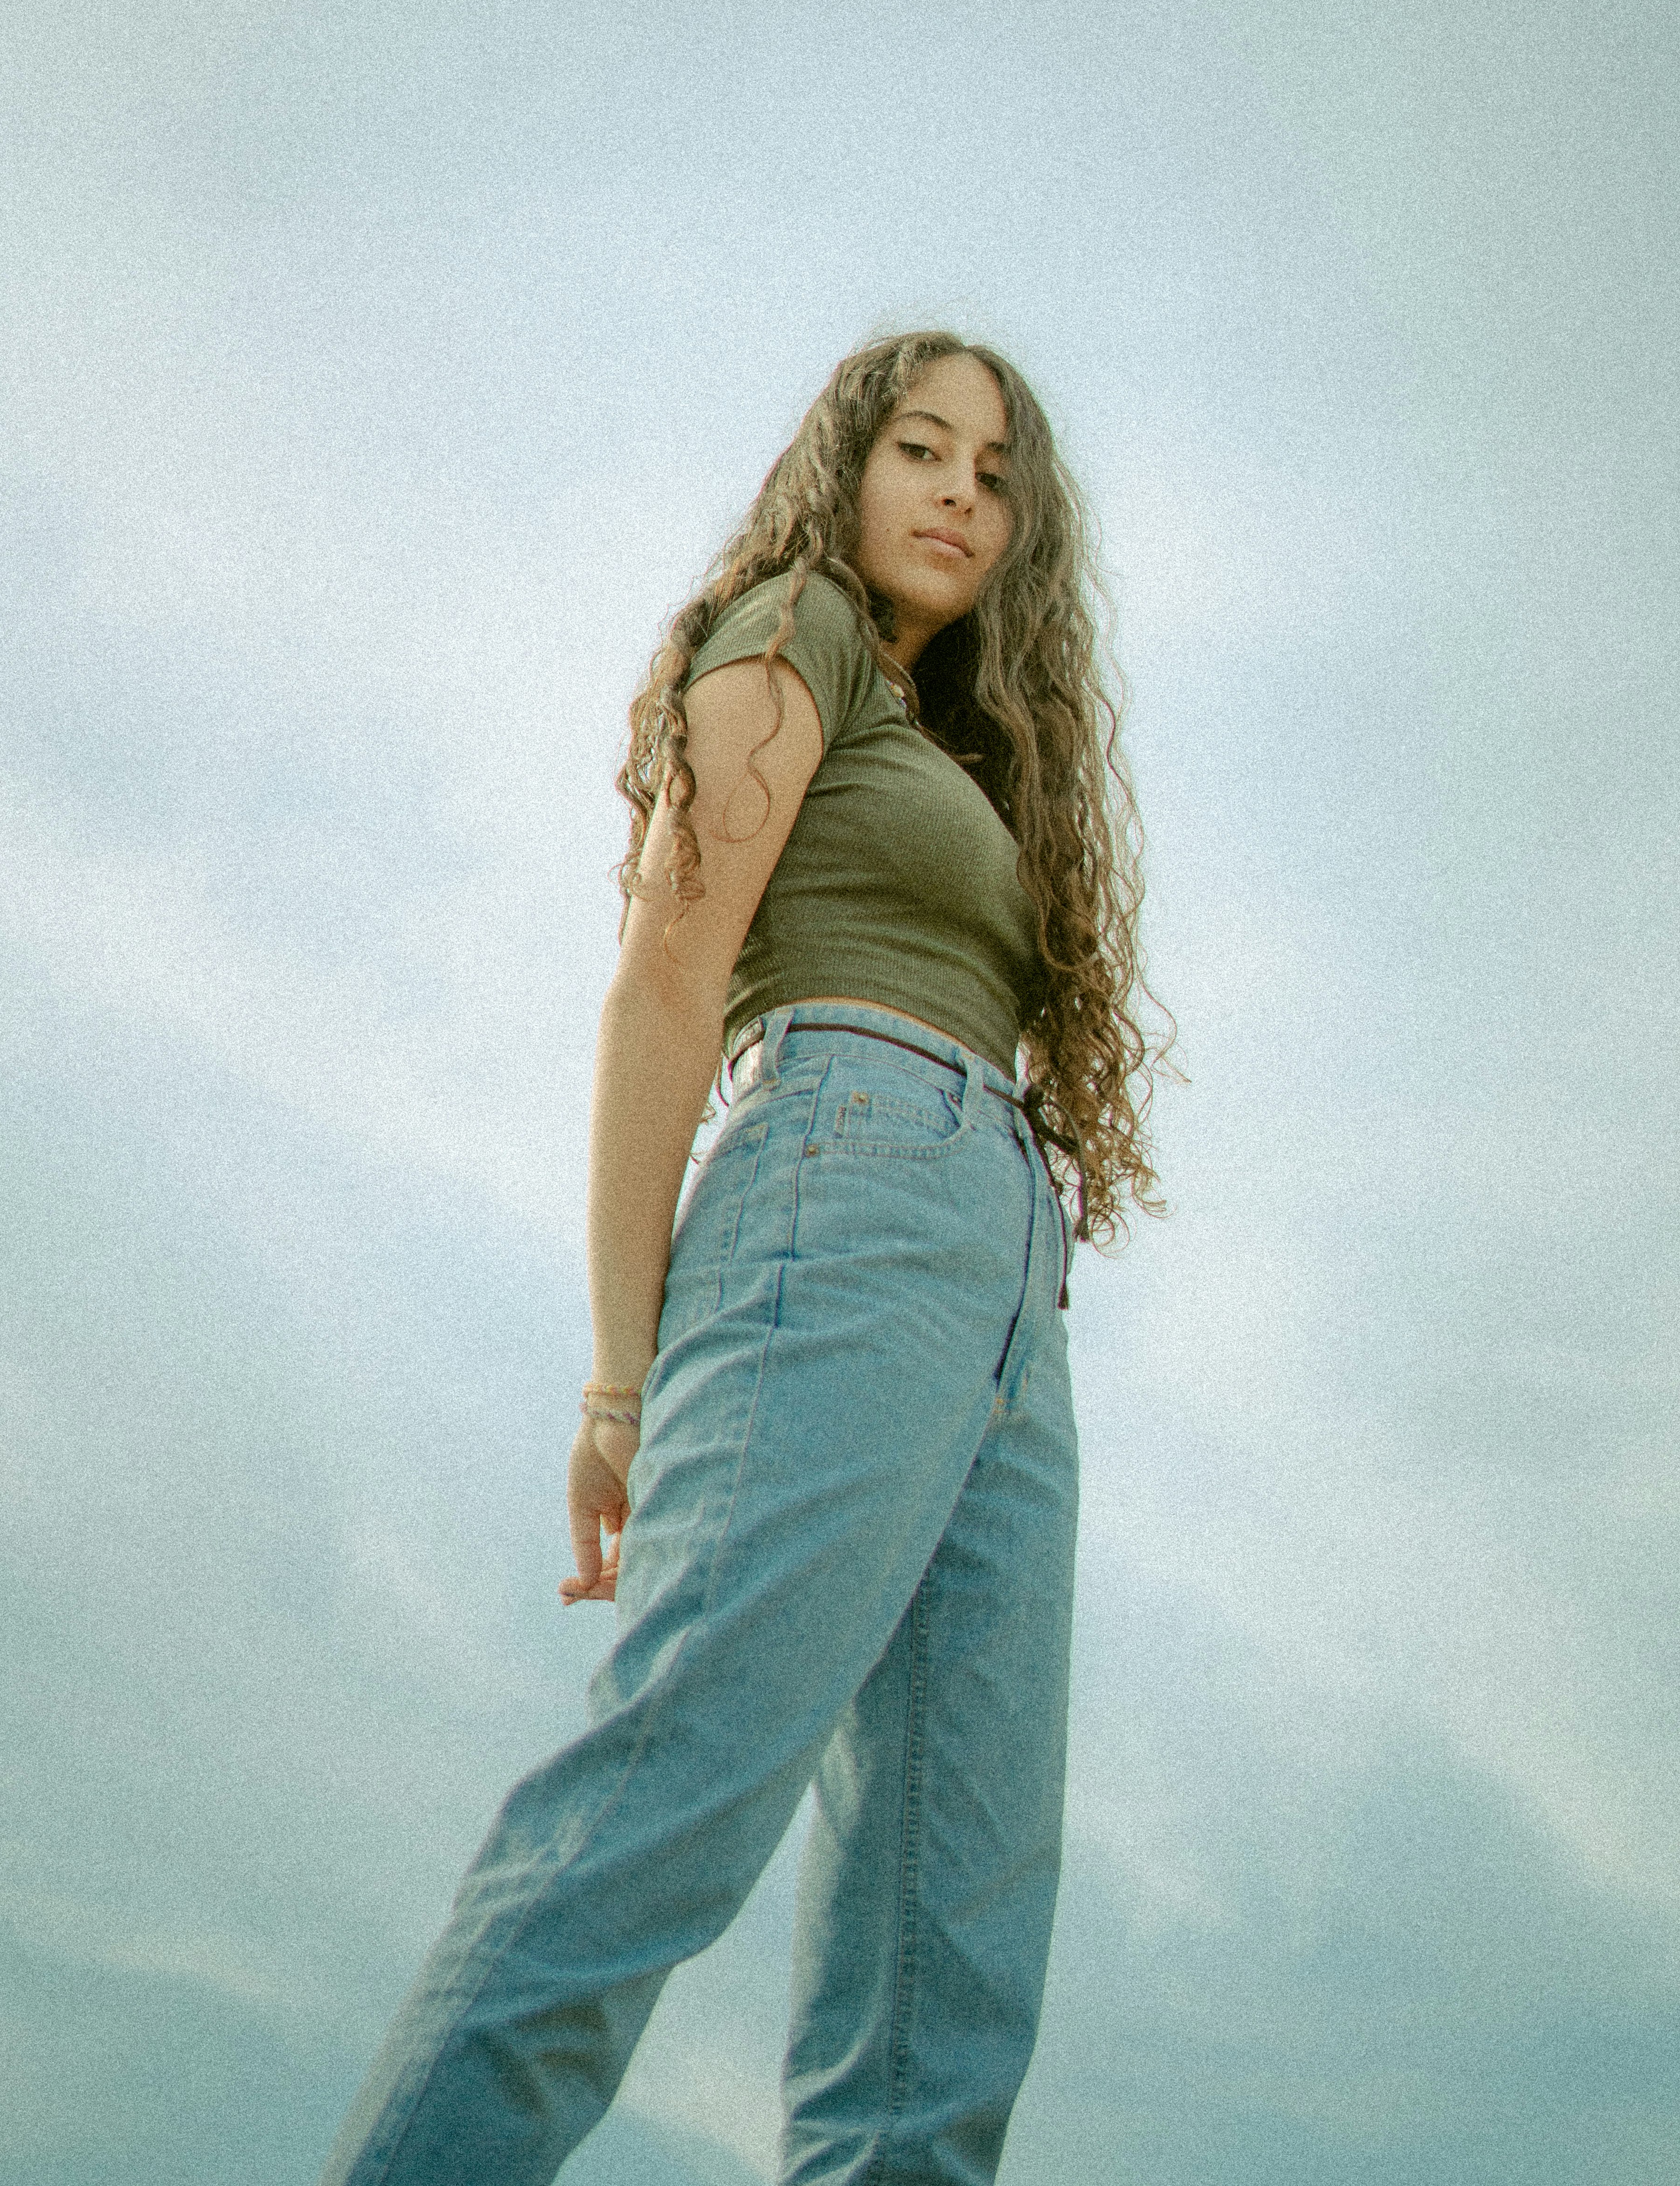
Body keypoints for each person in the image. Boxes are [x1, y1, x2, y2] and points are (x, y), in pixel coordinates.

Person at [319, 330, 1167, 2186]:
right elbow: (669, 981)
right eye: (921, 449)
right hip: (845, 1190)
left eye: (997, 472)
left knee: (946, 1968)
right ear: (846, 470)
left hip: (1001, 1275)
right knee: (663, 1806)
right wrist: (614, 1383)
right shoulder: (792, 633)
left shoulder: (961, 737)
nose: (960, 492)